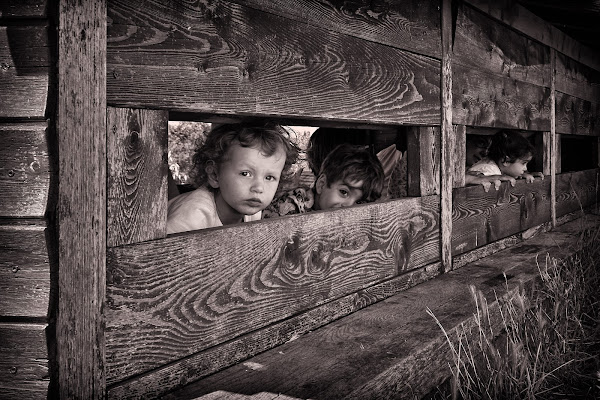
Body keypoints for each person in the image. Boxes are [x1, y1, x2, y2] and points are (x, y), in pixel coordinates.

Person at [167, 122, 299, 233]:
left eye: (269, 177)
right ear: (214, 175)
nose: (258, 188)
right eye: (245, 174)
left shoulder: (253, 212)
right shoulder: (191, 218)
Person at [263, 143, 384, 217]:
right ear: (321, 184)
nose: (349, 207)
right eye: (344, 192)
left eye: (359, 202)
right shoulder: (290, 207)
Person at [466, 130, 543, 191]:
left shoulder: (498, 168)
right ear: (505, 160)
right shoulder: (487, 169)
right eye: (523, 163)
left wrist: (520, 176)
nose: (526, 168)